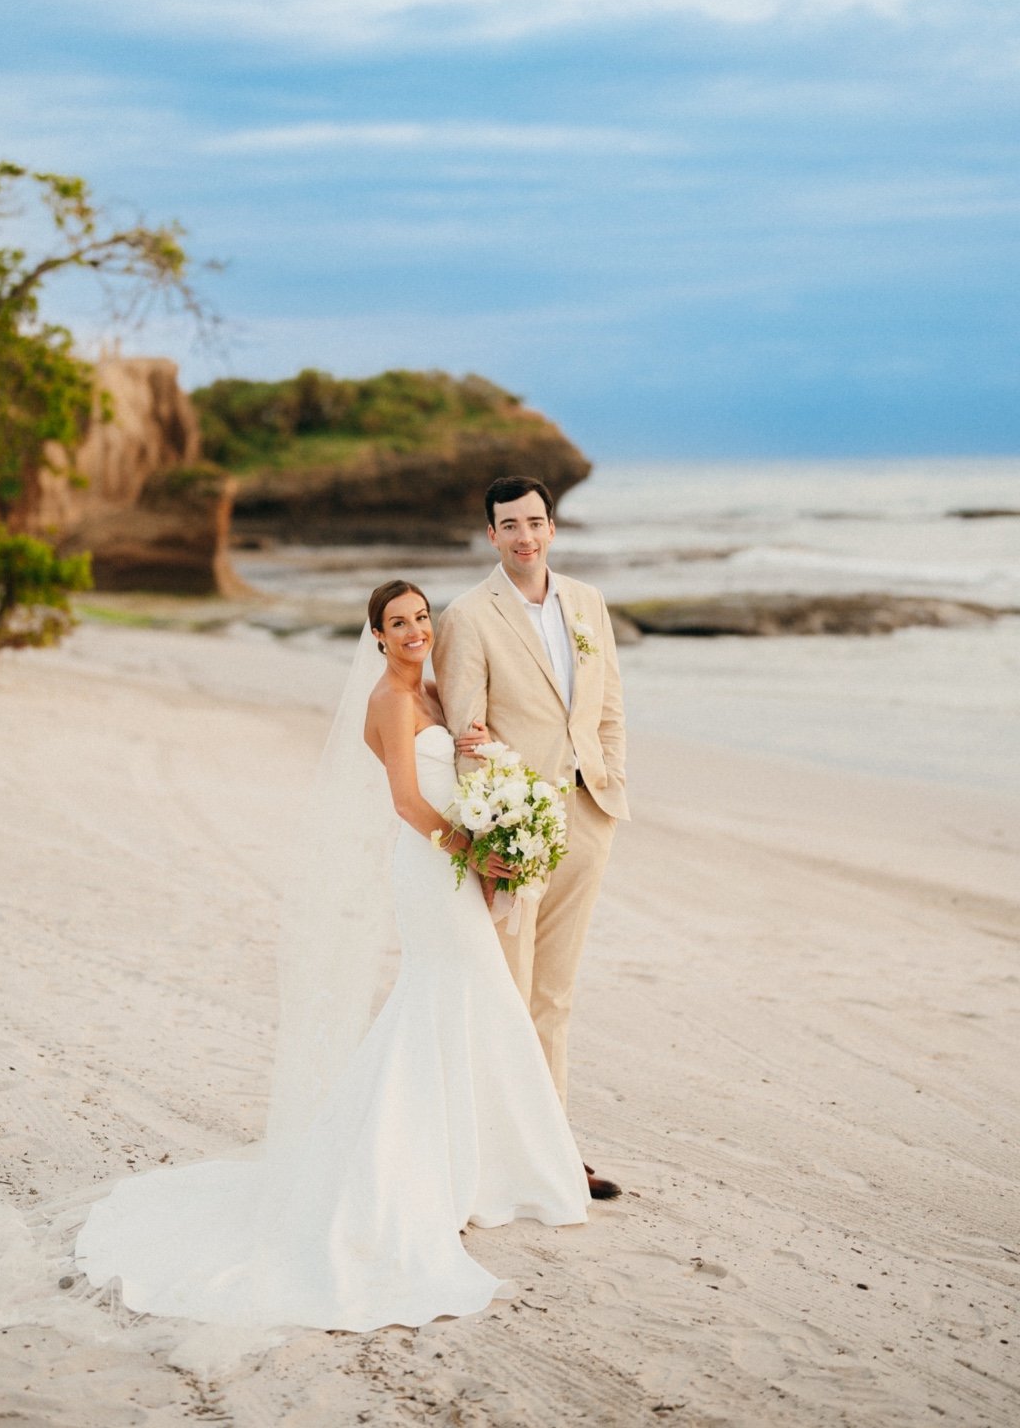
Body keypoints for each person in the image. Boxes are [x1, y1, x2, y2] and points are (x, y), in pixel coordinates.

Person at [71, 579, 590, 1344]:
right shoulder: (389, 700)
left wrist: (489, 773)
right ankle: (424, 1172)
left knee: (475, 1000)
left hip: (456, 866)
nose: (414, 631)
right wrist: (477, 850)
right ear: (376, 637)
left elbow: (461, 764)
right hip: (430, 867)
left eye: (421, 618)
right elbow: (410, 806)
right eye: (398, 623)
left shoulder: (439, 692)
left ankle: (483, 1169)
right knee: (445, 997)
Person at [433, 476, 630, 1201]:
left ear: (553, 528)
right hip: (518, 826)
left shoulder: (587, 604)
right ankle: (496, 1150)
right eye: (509, 525)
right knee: (507, 990)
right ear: (491, 535)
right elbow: (466, 733)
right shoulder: (467, 616)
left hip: (589, 812)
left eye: (536, 522)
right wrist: (493, 824)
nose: (525, 536)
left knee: (556, 993)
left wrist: (610, 784)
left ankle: (553, 1148)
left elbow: (608, 706)